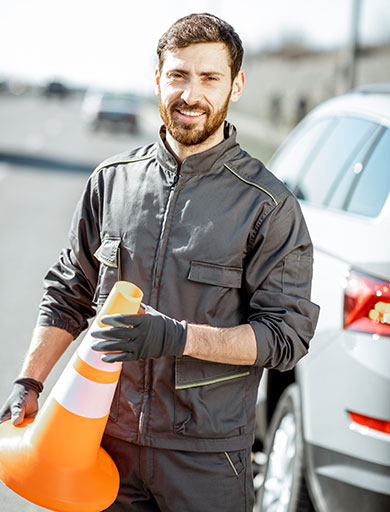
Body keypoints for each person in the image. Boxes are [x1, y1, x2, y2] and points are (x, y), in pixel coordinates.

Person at [0, 13, 319, 512]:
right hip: (103, 446)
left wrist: (179, 337)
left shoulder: (268, 206)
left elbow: (286, 337)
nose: (191, 94)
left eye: (209, 78)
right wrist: (30, 379)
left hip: (207, 459)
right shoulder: (112, 181)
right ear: (157, 79)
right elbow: (68, 290)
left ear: (236, 86)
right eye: (178, 75)